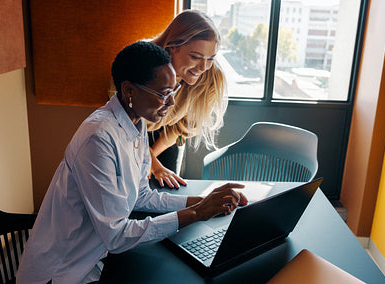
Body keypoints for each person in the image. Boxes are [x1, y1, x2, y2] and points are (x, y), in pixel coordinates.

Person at [16, 41, 247, 284]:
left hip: (95, 260)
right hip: (61, 273)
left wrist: (204, 202)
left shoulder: (136, 123)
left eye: (173, 90)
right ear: (129, 90)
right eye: (163, 93)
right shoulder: (98, 138)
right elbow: (116, 236)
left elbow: (141, 196)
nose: (171, 103)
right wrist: (196, 213)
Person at [146, 10, 228, 189]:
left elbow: (180, 128)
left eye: (210, 59)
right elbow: (127, 133)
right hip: (131, 135)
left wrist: (155, 164)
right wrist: (150, 163)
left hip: (166, 137)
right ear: (172, 48)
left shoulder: (211, 78)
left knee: (167, 190)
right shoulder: (142, 68)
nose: (203, 67)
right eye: (195, 57)